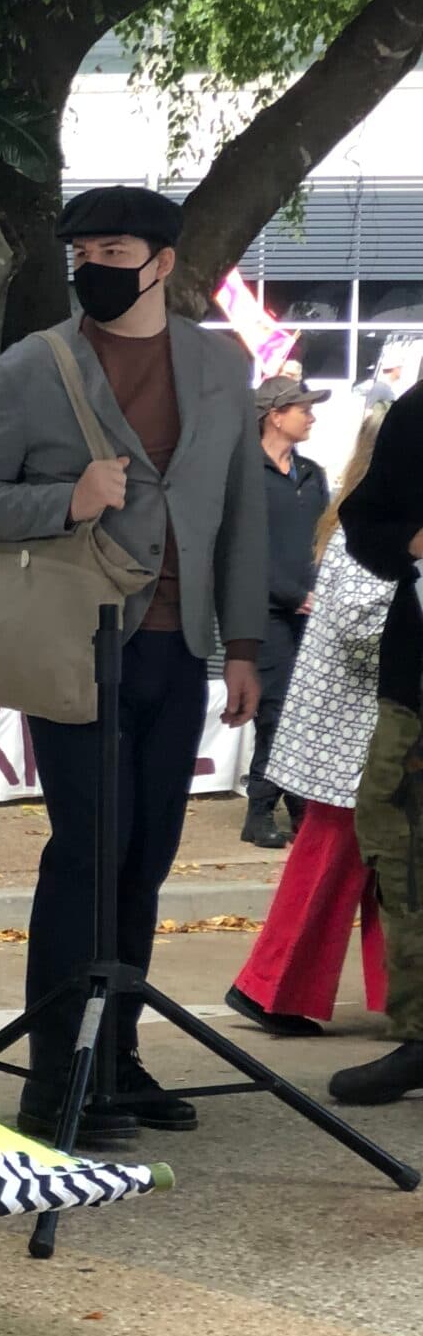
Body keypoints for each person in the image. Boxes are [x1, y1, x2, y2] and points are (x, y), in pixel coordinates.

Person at [0, 186, 263, 1150]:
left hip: (177, 647)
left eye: (114, 248)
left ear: (162, 260)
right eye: (82, 251)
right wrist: (67, 500)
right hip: (77, 647)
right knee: (87, 852)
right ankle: (55, 1077)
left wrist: (242, 646)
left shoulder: (221, 362)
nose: (94, 266)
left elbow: (240, 507)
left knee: (148, 856)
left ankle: (117, 1058)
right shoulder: (34, 367)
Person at [226, 403, 393, 1031]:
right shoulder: (367, 522)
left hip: (370, 731)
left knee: (394, 869)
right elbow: (359, 624)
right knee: (332, 861)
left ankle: (398, 994)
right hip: (353, 736)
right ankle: (272, 988)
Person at [325, 382, 423, 1105]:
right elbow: (364, 519)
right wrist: (406, 542)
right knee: (400, 841)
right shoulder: (418, 413)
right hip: (415, 682)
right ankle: (420, 1035)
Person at [242, 373, 332, 847]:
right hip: (263, 613)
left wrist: (319, 592)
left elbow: (319, 541)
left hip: (310, 612)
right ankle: (259, 812)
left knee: (306, 711)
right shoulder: (243, 473)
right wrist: (292, 595)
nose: (312, 415)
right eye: (303, 408)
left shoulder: (313, 475)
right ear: (275, 415)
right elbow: (240, 551)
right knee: (274, 711)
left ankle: (300, 809)